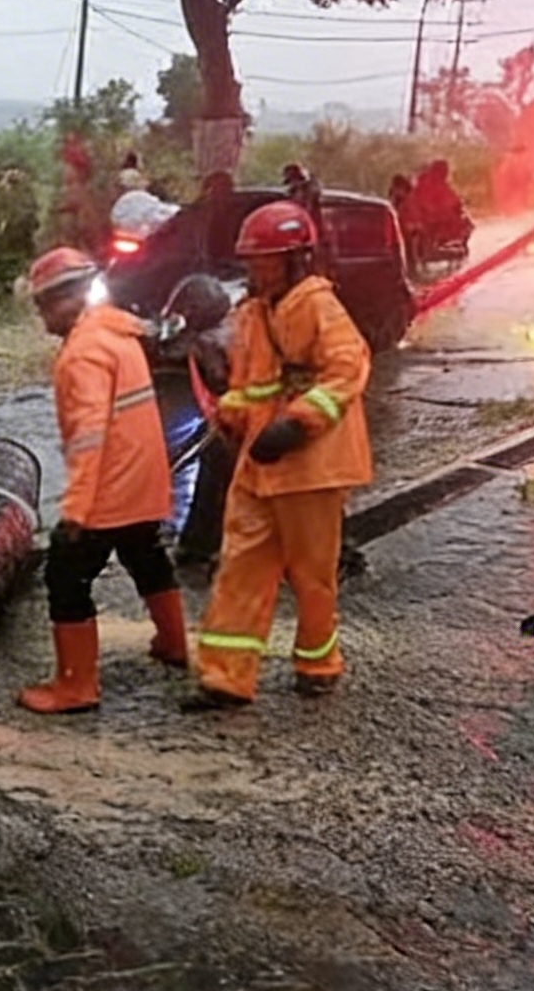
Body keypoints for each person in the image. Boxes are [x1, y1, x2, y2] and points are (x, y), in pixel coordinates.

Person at [189, 202, 373, 705]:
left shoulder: (318, 306)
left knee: (311, 575)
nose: (256, 269)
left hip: (313, 463)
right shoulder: (253, 313)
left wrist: (297, 424)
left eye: (265, 260)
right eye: (251, 260)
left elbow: (347, 370)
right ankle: (224, 678)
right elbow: (252, 385)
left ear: (295, 259)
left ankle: (319, 664)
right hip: (260, 461)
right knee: (239, 566)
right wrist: (230, 415)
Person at [17, 246, 186, 714]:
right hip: (143, 480)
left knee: (66, 576)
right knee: (146, 556)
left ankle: (76, 685)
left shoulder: (82, 355)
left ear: (65, 300)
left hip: (109, 489)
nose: (42, 319)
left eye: (44, 307)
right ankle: (174, 644)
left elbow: (88, 439)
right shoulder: (118, 333)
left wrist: (75, 510)